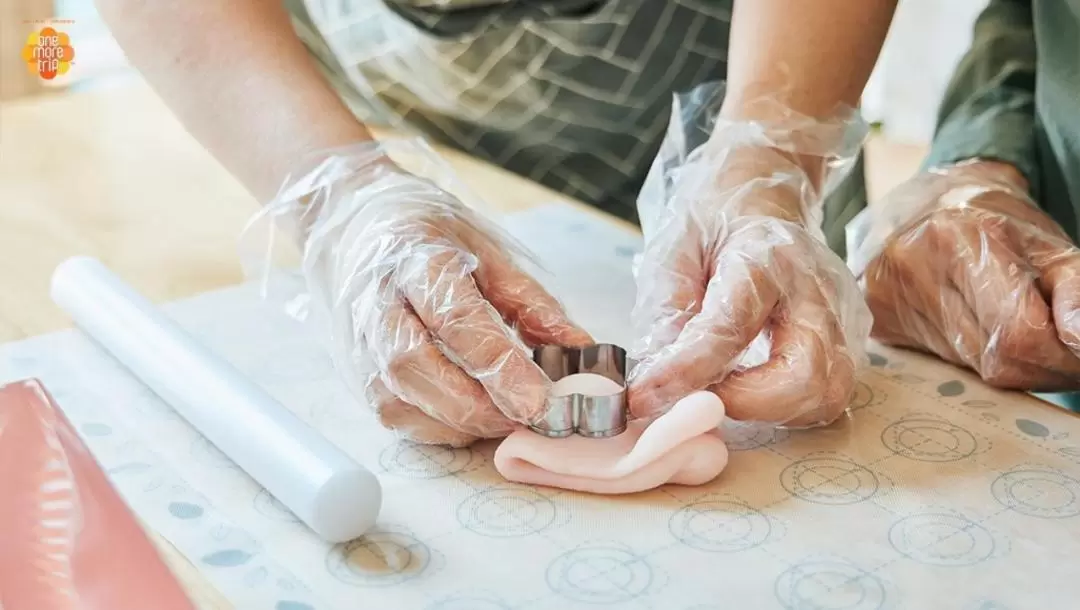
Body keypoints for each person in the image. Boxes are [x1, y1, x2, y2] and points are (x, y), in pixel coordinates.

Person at [96, 0, 1079, 446]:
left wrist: (773, 144)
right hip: (343, 84)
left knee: (773, 328)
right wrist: (340, 192)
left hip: (727, 59)